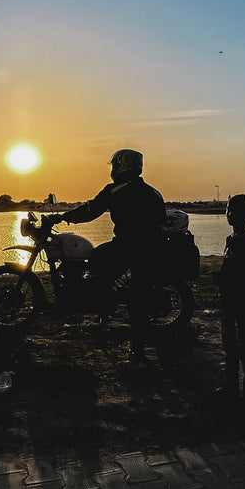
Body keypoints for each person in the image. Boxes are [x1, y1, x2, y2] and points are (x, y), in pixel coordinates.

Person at [51, 149, 166, 361]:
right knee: (137, 296)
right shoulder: (152, 192)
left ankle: (105, 306)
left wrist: (63, 217)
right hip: (152, 248)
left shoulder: (117, 190)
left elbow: (90, 211)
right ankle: (134, 346)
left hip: (131, 246)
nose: (113, 170)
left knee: (98, 259)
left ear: (122, 166)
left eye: (115, 165)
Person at [211, 195, 245, 421]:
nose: (229, 214)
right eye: (228, 210)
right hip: (229, 301)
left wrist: (221, 278)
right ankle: (231, 389)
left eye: (233, 211)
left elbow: (239, 273)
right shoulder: (232, 238)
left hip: (243, 301)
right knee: (230, 347)